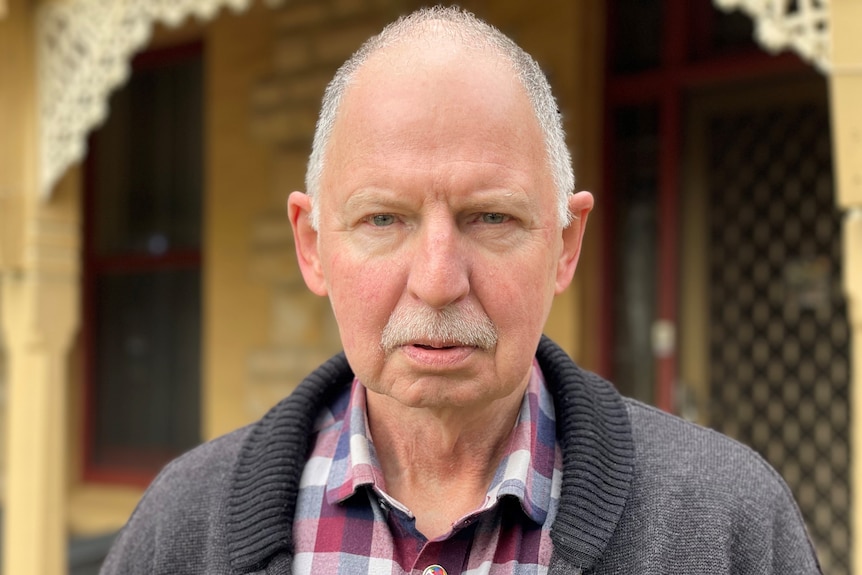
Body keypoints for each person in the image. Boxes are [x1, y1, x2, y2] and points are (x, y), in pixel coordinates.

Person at [101, 6, 821, 575]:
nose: (439, 281)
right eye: (384, 218)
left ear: (564, 244)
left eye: (491, 217)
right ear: (313, 244)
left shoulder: (729, 524)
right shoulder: (181, 529)